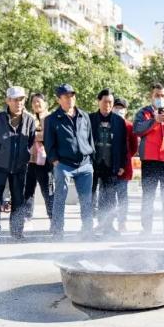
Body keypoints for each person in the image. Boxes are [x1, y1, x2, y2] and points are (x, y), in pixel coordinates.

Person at [0, 86, 36, 242]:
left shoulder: (29, 120)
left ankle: (17, 232)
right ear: (7, 100)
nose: (18, 103)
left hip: (20, 167)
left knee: (19, 200)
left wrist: (23, 157)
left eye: (21, 99)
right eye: (15, 99)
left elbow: (30, 141)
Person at [44, 83, 95, 240]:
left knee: (86, 200)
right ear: (59, 99)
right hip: (64, 165)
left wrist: (91, 158)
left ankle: (87, 231)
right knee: (60, 198)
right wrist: (55, 162)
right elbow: (48, 143)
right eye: (66, 96)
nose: (70, 98)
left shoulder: (84, 115)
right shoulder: (52, 119)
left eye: (72, 95)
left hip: (85, 165)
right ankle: (58, 232)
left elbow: (90, 138)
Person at [133, 83, 164, 236]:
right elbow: (137, 129)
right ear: (151, 96)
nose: (160, 98)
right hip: (150, 161)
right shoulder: (144, 113)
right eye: (157, 95)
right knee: (148, 196)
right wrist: (154, 120)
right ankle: (146, 229)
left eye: (162, 96)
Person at [89, 88, 127, 236]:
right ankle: (88, 226)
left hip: (111, 164)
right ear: (99, 102)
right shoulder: (90, 118)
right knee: (89, 196)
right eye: (105, 102)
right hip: (92, 163)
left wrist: (122, 165)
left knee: (109, 197)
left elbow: (123, 145)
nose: (108, 105)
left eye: (110, 102)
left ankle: (107, 226)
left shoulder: (119, 121)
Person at [23, 93, 54, 227]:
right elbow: (24, 135)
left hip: (45, 161)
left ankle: (53, 217)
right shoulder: (29, 118)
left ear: (45, 103)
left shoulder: (50, 118)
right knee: (28, 190)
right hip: (30, 160)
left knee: (47, 190)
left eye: (39, 102)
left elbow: (48, 136)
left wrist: (34, 135)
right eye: (34, 102)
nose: (36, 104)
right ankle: (26, 215)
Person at [112, 97, 138, 232]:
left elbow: (134, 147)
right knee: (107, 195)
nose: (119, 110)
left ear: (126, 110)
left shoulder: (129, 126)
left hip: (125, 168)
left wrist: (124, 160)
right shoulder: (108, 123)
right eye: (116, 107)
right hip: (108, 167)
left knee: (122, 197)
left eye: (121, 108)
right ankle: (106, 223)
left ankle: (122, 222)